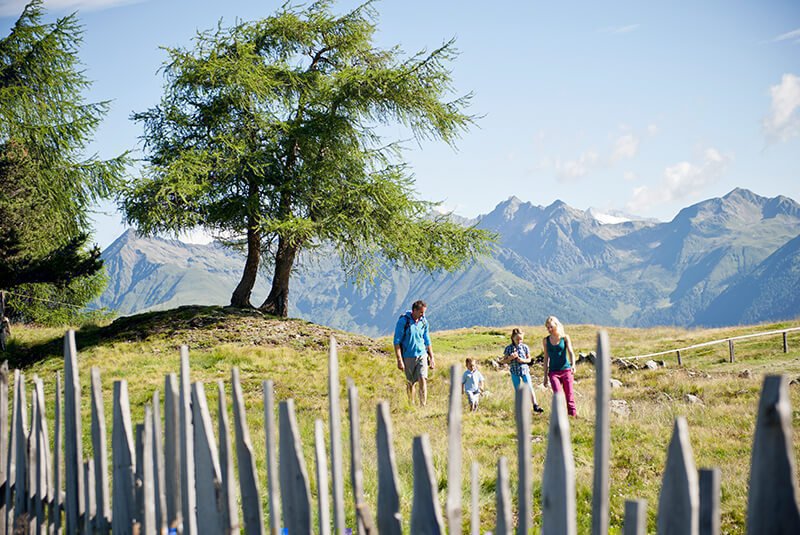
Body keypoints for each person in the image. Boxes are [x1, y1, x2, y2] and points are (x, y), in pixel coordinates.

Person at [394, 300, 435, 406]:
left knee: (423, 379)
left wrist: (432, 357)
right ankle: (411, 403)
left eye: (424, 312)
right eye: (421, 312)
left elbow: (427, 340)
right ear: (414, 311)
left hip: (422, 354)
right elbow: (397, 342)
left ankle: (423, 404)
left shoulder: (424, 322)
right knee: (410, 382)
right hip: (408, 356)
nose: (423, 315)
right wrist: (399, 360)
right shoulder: (404, 321)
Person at [502, 328, 544, 413]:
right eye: (517, 339)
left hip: (524, 371)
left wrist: (523, 360)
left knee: (529, 387)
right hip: (514, 372)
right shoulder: (508, 348)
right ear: (512, 338)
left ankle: (535, 404)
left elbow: (529, 359)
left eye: (521, 339)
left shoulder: (525, 347)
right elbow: (503, 361)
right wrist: (510, 358)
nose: (519, 341)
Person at [542, 316, 577, 417]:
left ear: (556, 325)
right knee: (558, 395)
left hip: (566, 370)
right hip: (553, 372)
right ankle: (561, 416)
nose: (549, 330)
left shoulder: (565, 338)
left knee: (569, 395)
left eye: (551, 327)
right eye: (547, 327)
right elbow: (546, 358)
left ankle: (572, 416)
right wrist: (545, 376)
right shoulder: (546, 340)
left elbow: (571, 352)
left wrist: (573, 365)